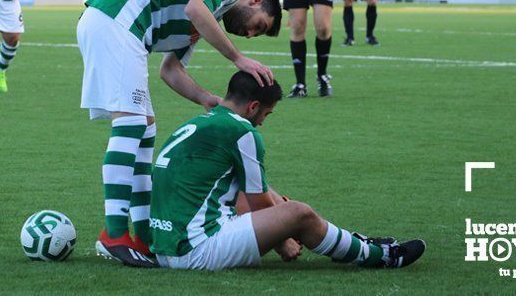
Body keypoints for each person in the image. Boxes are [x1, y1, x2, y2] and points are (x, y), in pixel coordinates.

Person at [77, 0, 281, 267]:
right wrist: (238, 59)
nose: (251, 34)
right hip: (117, 22)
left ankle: (144, 238)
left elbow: (170, 71)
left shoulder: (200, 22)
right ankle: (114, 233)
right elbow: (195, 8)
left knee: (145, 129)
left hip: (119, 28)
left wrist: (204, 98)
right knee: (131, 125)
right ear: (254, 1)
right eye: (259, 26)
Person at [150, 70, 426, 271]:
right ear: (253, 106)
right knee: (298, 213)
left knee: (278, 201)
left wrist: (279, 213)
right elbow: (258, 204)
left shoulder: (204, 122)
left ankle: (352, 242)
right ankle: (378, 256)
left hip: (167, 245)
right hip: (195, 249)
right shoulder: (241, 131)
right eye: (265, 114)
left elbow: (252, 193)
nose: (262, 123)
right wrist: (282, 238)